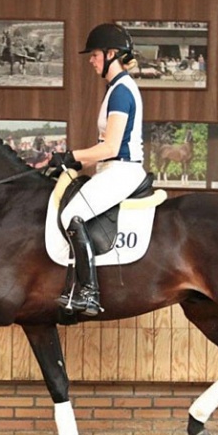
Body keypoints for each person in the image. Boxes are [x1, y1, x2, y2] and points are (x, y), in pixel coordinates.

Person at [48, 23, 146, 317]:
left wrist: (71, 155)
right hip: (109, 169)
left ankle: (88, 293)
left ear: (111, 54)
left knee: (70, 215)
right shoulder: (115, 89)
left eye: (94, 55)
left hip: (122, 170)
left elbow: (112, 147)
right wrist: (72, 167)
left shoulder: (121, 92)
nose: (91, 60)